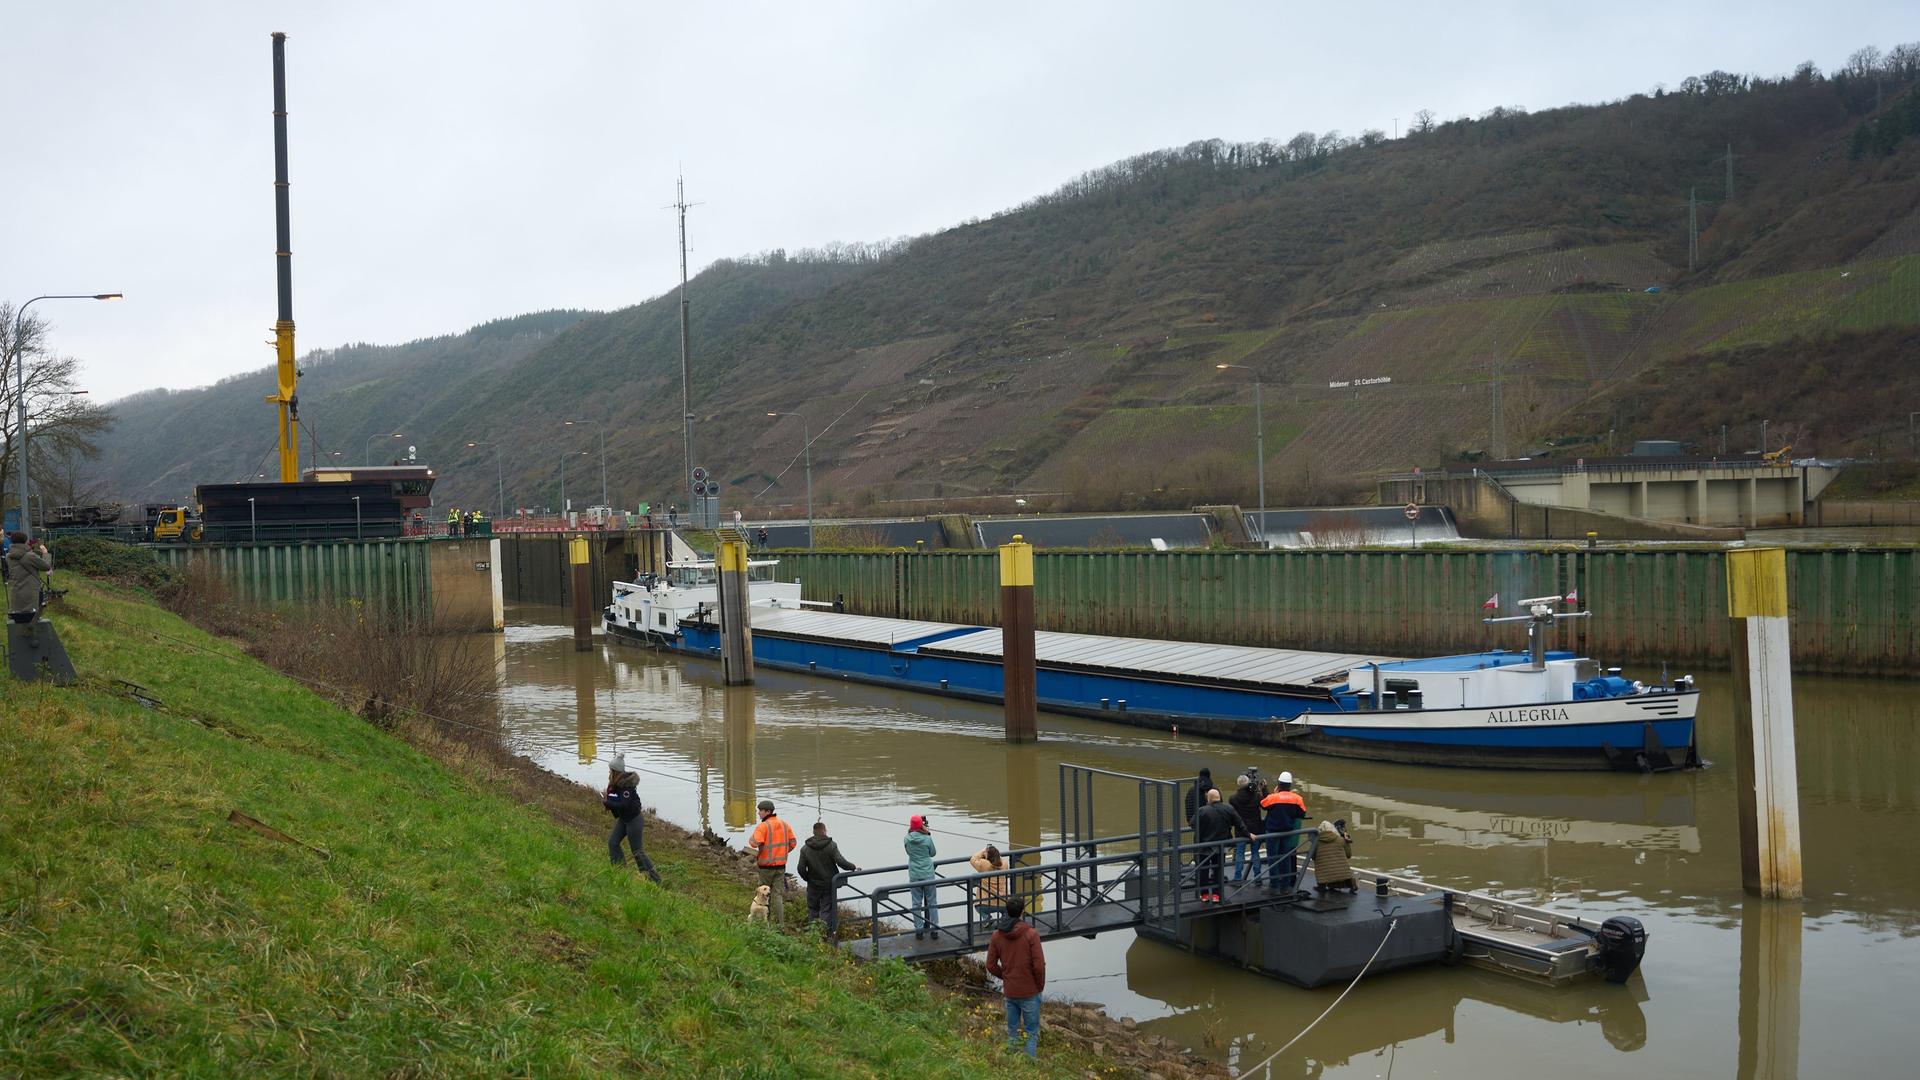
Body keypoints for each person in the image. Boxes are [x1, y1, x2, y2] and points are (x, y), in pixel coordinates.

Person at [985, 896, 1046, 1059]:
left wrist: (1006, 976)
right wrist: (1039, 986)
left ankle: (1013, 1065)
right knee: (1031, 1032)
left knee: (1012, 1030)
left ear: (1006, 911)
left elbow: (990, 965)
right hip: (1029, 991)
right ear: (1021, 912)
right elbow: (1039, 965)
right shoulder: (1031, 934)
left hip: (1010, 992)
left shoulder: (997, 935)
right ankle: (1030, 1066)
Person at [603, 753, 662, 883]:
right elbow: (616, 800)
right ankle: (619, 870)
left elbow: (624, 804)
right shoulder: (615, 784)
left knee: (637, 851)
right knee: (613, 843)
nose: (609, 772)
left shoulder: (626, 786)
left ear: (615, 771)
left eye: (611, 770)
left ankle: (653, 879)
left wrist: (608, 803)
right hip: (624, 820)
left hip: (634, 821)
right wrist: (608, 800)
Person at [797, 821, 859, 926]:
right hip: (829, 883)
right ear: (825, 831)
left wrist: (808, 879)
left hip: (813, 884)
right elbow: (840, 862)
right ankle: (825, 934)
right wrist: (853, 867)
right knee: (826, 910)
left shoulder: (805, 848)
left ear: (813, 832)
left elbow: (800, 868)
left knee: (813, 909)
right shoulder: (831, 845)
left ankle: (814, 934)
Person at [749, 799, 798, 925]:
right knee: (777, 895)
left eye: (760, 811)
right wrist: (782, 854)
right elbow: (793, 843)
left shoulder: (763, 826)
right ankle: (780, 925)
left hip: (765, 867)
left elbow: (755, 843)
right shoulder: (785, 825)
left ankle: (765, 922)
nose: (758, 813)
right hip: (781, 866)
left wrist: (751, 838)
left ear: (768, 811)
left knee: (763, 894)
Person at [1260, 771, 1309, 891]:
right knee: (1285, 857)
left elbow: (1263, 804)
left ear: (1279, 784)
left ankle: (1274, 884)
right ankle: (1285, 884)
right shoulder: (1297, 799)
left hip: (1273, 832)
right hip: (1288, 832)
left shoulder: (1273, 798)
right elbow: (1302, 814)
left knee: (1273, 858)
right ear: (1290, 785)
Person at [1192, 788, 1240, 903]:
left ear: (1208, 799)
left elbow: (1193, 824)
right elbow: (1238, 822)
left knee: (1203, 869)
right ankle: (1216, 894)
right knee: (1218, 869)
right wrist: (1248, 834)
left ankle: (1204, 894)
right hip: (1220, 846)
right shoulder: (1228, 808)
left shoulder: (1202, 810)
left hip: (1204, 845)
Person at [904, 813, 939, 940]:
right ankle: (934, 930)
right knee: (932, 902)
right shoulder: (927, 838)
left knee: (916, 903)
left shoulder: (906, 839)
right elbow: (933, 853)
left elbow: (908, 852)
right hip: (928, 874)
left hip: (914, 874)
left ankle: (918, 930)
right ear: (921, 826)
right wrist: (927, 833)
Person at [7, 534, 51, 624]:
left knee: (20, 620)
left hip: (16, 595)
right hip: (31, 595)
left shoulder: (9, 556)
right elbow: (46, 567)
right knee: (32, 618)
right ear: (25, 541)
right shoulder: (30, 556)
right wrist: (45, 553)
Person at [1229, 773, 1264, 882]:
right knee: (1255, 853)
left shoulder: (1233, 798)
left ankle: (1238, 877)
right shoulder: (1256, 797)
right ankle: (1258, 877)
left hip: (1241, 829)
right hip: (1256, 828)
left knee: (1240, 853)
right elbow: (1265, 804)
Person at [1314, 818, 1357, 893]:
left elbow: (1313, 857)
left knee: (1322, 866)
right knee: (1341, 867)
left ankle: (1321, 886)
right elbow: (1348, 855)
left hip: (1324, 876)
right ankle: (1352, 885)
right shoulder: (1340, 840)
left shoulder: (1316, 842)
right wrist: (1347, 842)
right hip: (1343, 874)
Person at [970, 844, 1009, 924]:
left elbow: (973, 859)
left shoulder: (984, 864)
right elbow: (999, 860)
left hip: (985, 904)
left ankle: (987, 918)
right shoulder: (1005, 864)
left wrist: (983, 851)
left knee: (977, 906)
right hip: (1003, 902)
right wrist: (994, 853)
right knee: (1006, 910)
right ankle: (1004, 919)